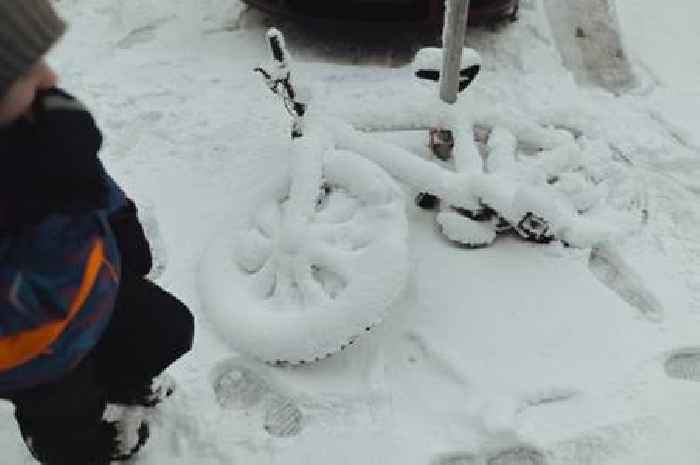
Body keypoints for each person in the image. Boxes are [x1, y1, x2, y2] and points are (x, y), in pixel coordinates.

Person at [0, 1, 195, 463]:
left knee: (169, 329)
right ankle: (69, 443)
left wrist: (119, 219)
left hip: (99, 291)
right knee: (69, 431)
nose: (49, 78)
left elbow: (97, 186)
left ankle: (120, 386)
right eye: (22, 73)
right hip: (37, 358)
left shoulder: (40, 130)